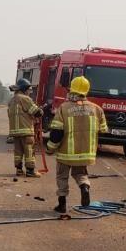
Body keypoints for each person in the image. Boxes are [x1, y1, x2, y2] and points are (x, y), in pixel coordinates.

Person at [46, 76, 108, 213]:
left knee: (62, 176)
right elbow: (103, 131)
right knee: (80, 174)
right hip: (85, 153)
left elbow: (56, 133)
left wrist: (50, 148)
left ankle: (62, 205)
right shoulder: (97, 109)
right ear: (86, 91)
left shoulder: (64, 108)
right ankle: (84, 187)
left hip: (65, 153)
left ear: (71, 90)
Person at [7, 78, 44, 177]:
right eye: (29, 89)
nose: (29, 92)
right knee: (29, 151)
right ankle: (30, 171)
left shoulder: (11, 100)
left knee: (18, 152)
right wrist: (42, 110)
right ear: (24, 89)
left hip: (15, 132)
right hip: (26, 131)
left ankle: (19, 170)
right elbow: (36, 112)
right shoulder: (25, 99)